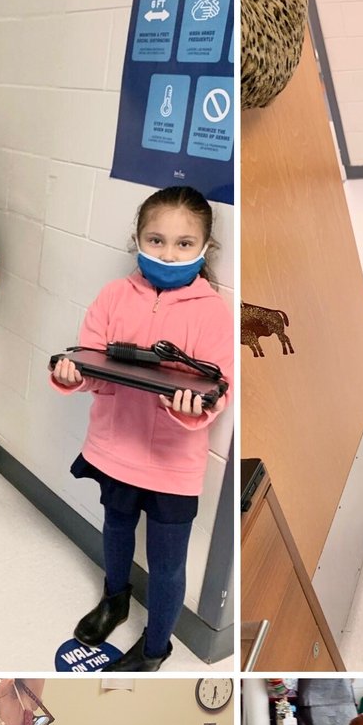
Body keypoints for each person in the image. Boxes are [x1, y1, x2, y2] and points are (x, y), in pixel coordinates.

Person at [50, 185, 233, 671]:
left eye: (183, 244)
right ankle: (115, 599)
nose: (168, 253)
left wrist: (194, 408)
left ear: (204, 248)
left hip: (174, 463)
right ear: (137, 238)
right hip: (114, 447)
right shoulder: (113, 296)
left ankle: (156, 648)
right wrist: (72, 374)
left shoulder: (214, 311)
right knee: (115, 525)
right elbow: (88, 359)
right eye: (155, 240)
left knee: (169, 561)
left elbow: (220, 386)